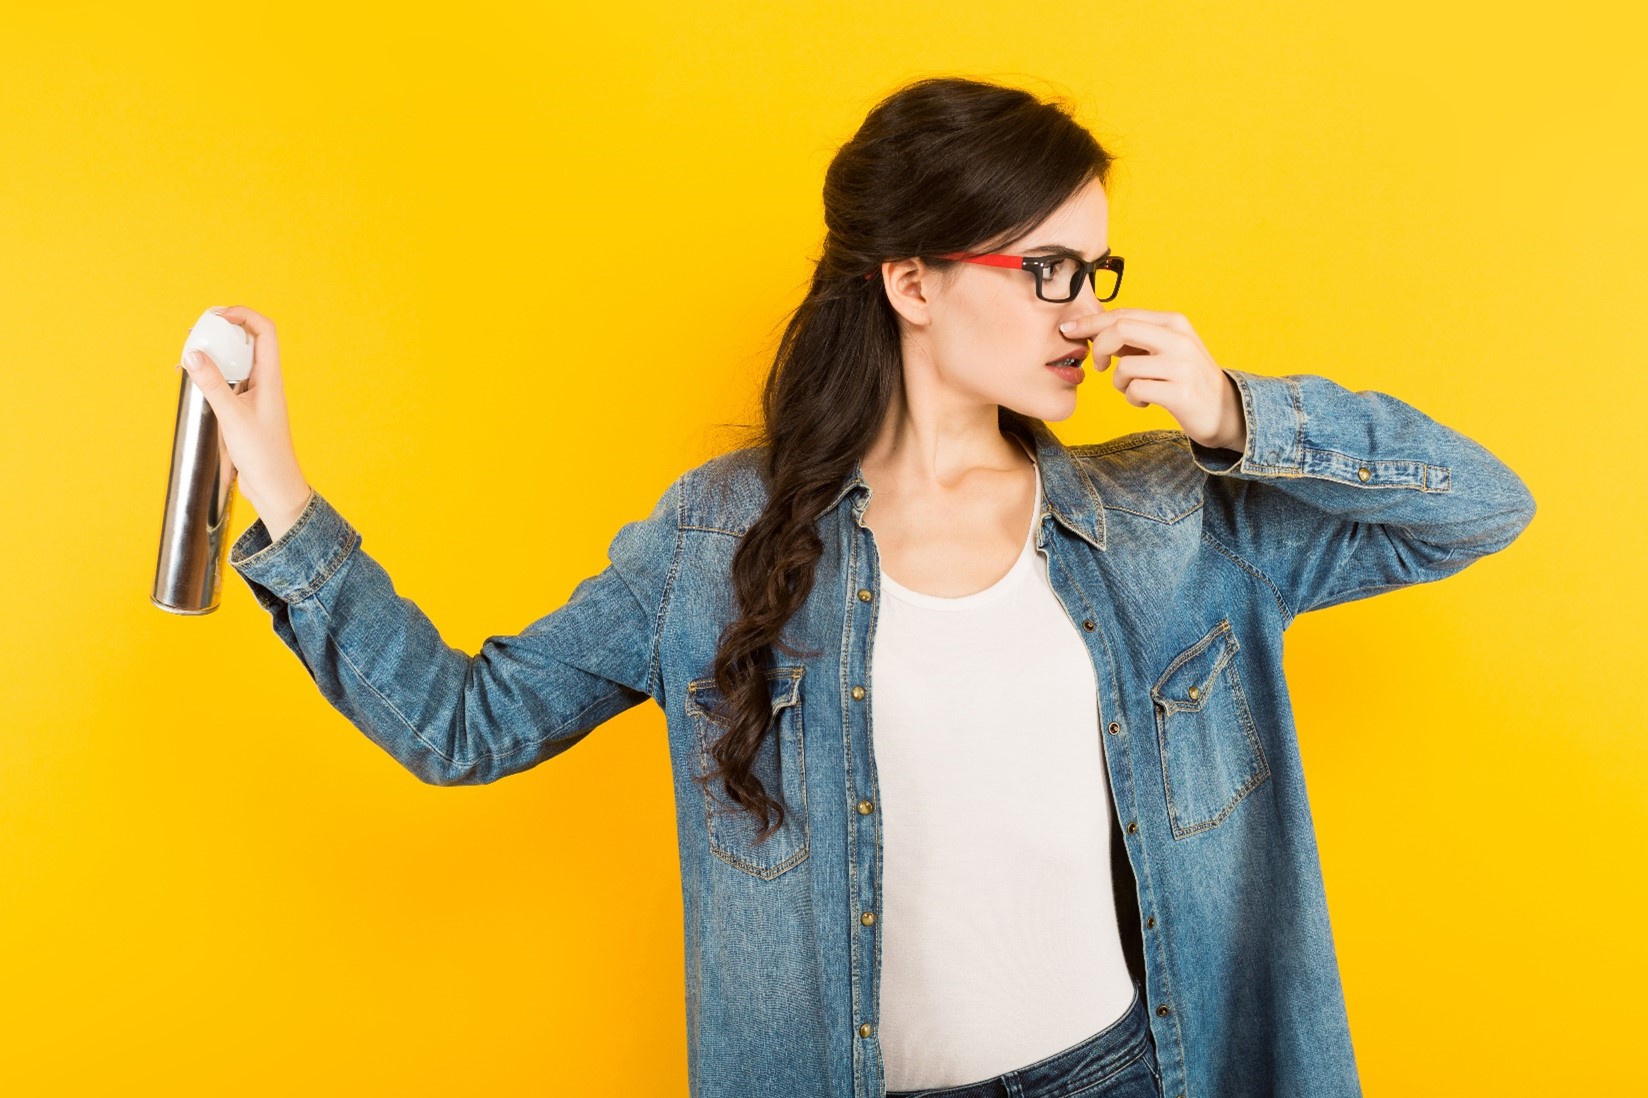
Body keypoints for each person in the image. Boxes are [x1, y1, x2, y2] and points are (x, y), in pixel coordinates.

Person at [180, 75, 1536, 1098]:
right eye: (1046, 268)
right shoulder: (716, 547)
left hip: (1129, 1070)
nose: (1086, 310)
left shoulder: (1168, 516)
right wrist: (280, 485)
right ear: (911, 280)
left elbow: (1482, 506)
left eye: (1097, 272)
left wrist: (1240, 411)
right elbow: (462, 725)